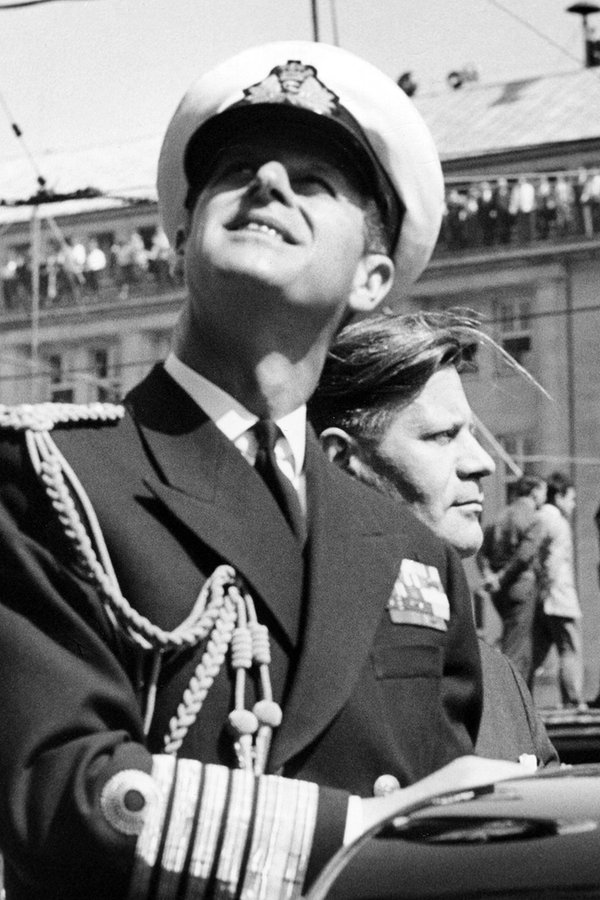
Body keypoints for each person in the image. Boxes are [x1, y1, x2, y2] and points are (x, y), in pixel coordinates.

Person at [0, 42, 525, 900]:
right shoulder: (51, 482)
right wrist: (364, 835)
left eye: (314, 181)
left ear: (372, 276)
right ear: (179, 238)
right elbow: (61, 791)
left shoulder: (409, 551)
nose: (271, 181)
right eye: (238, 169)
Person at [309, 310, 557, 767]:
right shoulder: (292, 673)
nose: (483, 462)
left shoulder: (499, 680)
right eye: (443, 436)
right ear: (341, 462)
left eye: (472, 435)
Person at [477, 474, 547, 687]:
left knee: (518, 643)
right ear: (534, 491)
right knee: (517, 649)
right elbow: (524, 556)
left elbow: (481, 552)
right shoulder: (535, 518)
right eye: (543, 491)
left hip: (500, 594)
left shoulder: (499, 517)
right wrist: (501, 577)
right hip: (521, 587)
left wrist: (490, 576)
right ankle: (509, 701)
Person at [533, 471, 587, 710]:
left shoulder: (538, 517)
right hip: (560, 597)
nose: (573, 505)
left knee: (535, 655)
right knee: (569, 650)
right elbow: (554, 562)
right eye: (571, 499)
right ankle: (573, 701)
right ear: (560, 496)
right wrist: (548, 587)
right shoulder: (559, 523)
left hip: (541, 600)